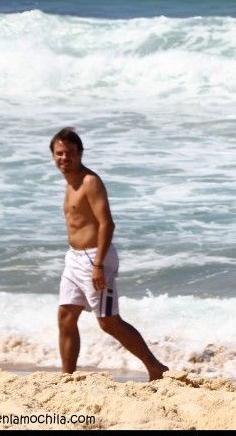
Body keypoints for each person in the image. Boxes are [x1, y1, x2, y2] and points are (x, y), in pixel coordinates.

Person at [51, 127, 169, 380]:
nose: (64, 158)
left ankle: (155, 367)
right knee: (66, 316)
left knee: (108, 322)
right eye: (59, 153)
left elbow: (107, 224)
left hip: (95, 257)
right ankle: (67, 377)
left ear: (80, 153)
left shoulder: (89, 182)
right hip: (74, 257)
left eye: (70, 153)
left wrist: (98, 265)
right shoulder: (70, 182)